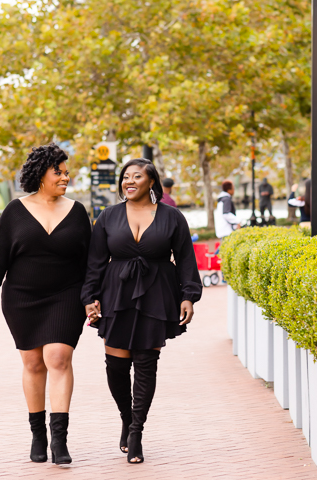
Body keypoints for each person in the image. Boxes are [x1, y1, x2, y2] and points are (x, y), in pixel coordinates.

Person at [81, 159, 202, 464]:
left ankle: (136, 431)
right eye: (125, 177)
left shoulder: (172, 217)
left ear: (151, 182)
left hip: (157, 295)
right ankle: (126, 416)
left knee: (146, 364)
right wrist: (89, 298)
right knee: (117, 367)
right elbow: (95, 263)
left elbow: (186, 259)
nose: (129, 181)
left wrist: (189, 295)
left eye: (137, 176)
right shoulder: (107, 217)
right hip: (117, 296)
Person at [0, 144, 92, 465]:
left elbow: (90, 262)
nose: (65, 177)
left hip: (66, 295)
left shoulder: (77, 211)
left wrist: (92, 297)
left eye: (66, 172)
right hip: (22, 298)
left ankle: (60, 439)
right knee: (33, 364)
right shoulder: (15, 211)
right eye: (58, 171)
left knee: (58, 357)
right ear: (41, 174)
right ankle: (38, 434)